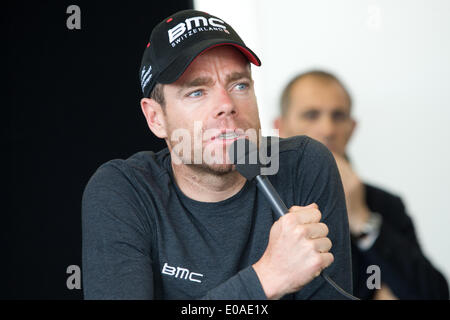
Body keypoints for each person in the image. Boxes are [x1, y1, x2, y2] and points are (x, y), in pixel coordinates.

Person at [81, 10, 353, 300]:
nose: (226, 105)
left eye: (240, 85)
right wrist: (267, 278)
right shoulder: (125, 190)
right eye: (197, 92)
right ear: (155, 118)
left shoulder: (302, 165)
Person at [274, 70, 449, 299]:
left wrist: (363, 221)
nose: (327, 129)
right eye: (311, 115)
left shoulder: (384, 204)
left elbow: (434, 295)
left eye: (338, 116)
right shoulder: (262, 200)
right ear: (280, 126)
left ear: (352, 127)